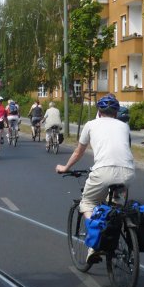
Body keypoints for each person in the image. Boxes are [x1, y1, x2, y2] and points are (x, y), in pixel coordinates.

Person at [55, 94, 135, 262]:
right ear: (116, 112)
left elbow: (79, 151)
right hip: (127, 172)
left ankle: (96, 240)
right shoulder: (124, 126)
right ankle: (115, 238)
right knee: (116, 208)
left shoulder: (90, 125)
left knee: (88, 203)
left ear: (99, 110)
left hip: (102, 172)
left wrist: (65, 168)